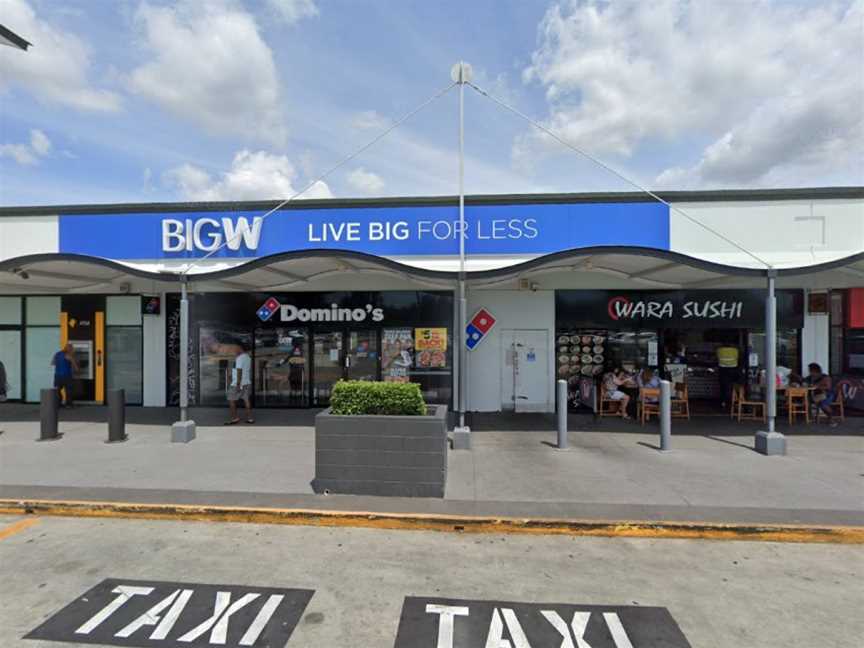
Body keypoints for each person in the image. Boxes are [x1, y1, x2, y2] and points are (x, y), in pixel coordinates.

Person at [226, 342, 254, 425]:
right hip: (247, 382)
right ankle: (250, 418)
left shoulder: (239, 358)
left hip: (237, 383)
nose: (234, 350)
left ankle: (235, 418)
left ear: (240, 348)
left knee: (231, 400)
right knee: (246, 400)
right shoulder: (248, 357)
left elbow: (239, 370)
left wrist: (238, 384)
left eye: (236, 348)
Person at [804, 362, 838, 428]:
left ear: (815, 370)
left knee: (823, 404)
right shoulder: (810, 378)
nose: (809, 372)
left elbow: (828, 387)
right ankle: (810, 417)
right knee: (807, 400)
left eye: (810, 370)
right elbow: (804, 382)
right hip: (817, 395)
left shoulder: (825, 377)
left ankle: (831, 418)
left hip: (828, 394)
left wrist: (817, 387)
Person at [51, 343, 78, 407]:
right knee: (68, 390)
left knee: (57, 390)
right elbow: (75, 366)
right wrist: (76, 369)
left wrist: (60, 363)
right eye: (71, 348)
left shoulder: (57, 354)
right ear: (68, 348)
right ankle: (68, 404)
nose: (72, 349)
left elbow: (52, 363)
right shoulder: (68, 355)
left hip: (57, 376)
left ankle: (58, 403)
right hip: (66, 376)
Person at [716, 343, 740, 409]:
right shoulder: (735, 350)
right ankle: (737, 401)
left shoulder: (719, 350)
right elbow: (738, 358)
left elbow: (717, 358)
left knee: (723, 387)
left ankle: (723, 402)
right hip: (733, 370)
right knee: (734, 386)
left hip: (723, 370)